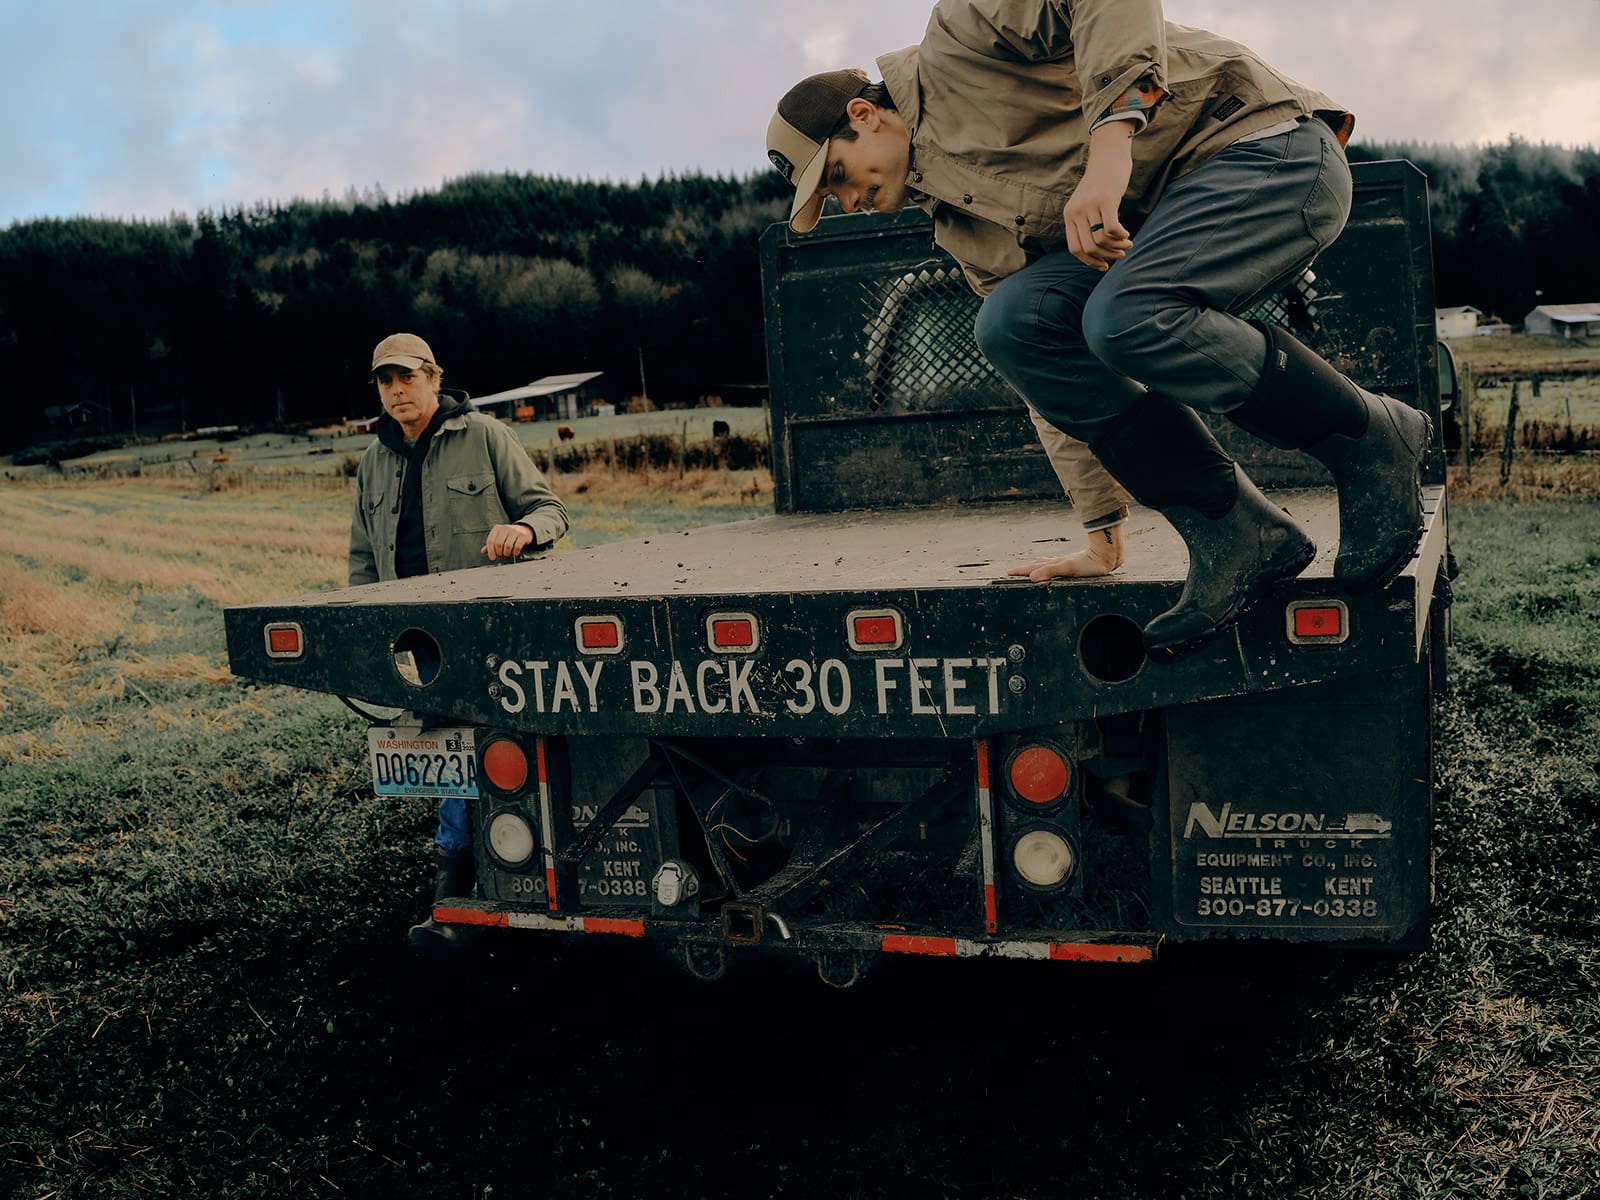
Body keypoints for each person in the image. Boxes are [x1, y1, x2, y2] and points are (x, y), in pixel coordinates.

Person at [766, 1, 1430, 659]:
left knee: (1124, 317)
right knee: (1010, 324)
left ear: (865, 115)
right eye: (829, 201)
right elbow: (1044, 371)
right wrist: (1101, 530)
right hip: (1168, 224)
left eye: (837, 178)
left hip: (1265, 151)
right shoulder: (961, 225)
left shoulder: (964, 35)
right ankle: (1232, 530)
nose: (846, 203)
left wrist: (1109, 149)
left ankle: (1369, 437)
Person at [349, 332, 569, 954]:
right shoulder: (373, 460)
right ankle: (461, 885)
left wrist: (522, 529)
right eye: (386, 381)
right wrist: (368, 635)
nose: (397, 391)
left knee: (497, 746)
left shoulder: (486, 436)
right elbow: (363, 558)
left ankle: (468, 887)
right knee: (449, 750)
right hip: (419, 640)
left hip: (490, 631)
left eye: (407, 378)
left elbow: (551, 510)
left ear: (434, 377)